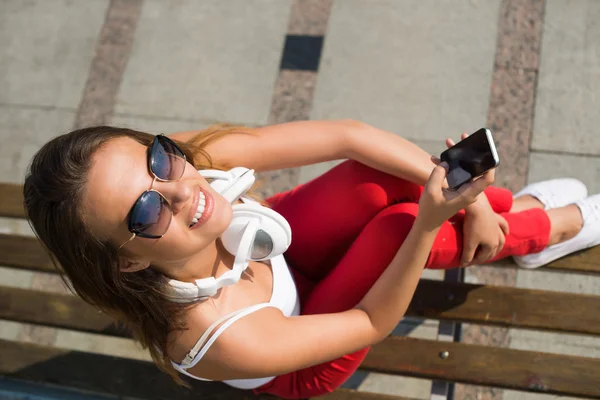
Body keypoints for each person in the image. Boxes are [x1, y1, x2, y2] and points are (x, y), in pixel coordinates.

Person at [23, 120, 600, 399]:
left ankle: (511, 214)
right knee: (399, 226)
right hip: (300, 352)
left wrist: (473, 203)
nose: (180, 191)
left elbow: (347, 138)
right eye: (146, 212)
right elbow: (372, 322)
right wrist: (429, 221)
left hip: (283, 253)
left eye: (157, 159)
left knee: (372, 181)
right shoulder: (214, 335)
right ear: (125, 262)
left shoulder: (189, 168)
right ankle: (550, 227)